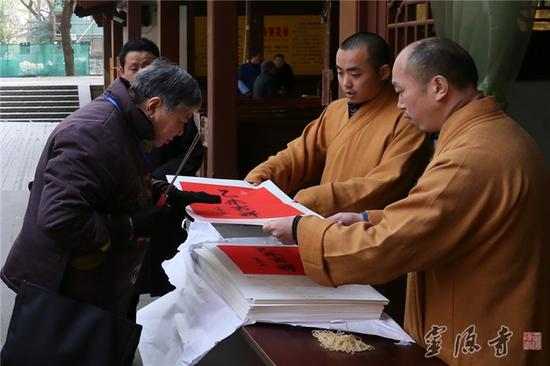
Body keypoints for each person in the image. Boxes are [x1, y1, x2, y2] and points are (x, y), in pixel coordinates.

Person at [263, 37, 550, 365]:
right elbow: (429, 211)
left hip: (481, 336)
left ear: (438, 87)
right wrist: (364, 219)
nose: (399, 103)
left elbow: (395, 237)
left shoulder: (472, 156)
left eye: (401, 91)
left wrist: (304, 230)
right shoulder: (487, 134)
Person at [1, 59, 220, 331]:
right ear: (153, 106)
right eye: (181, 121)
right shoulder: (93, 133)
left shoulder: (123, 123)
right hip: (65, 289)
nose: (180, 132)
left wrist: (160, 191)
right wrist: (130, 226)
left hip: (96, 283)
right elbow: (60, 217)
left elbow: (108, 180)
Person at [245, 32, 431, 217]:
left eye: (355, 74)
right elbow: (298, 154)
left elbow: (386, 182)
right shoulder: (336, 110)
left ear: (383, 72)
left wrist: (310, 200)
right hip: (322, 220)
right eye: (341, 73)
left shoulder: (407, 118)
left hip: (367, 229)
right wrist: (259, 179)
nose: (346, 83)